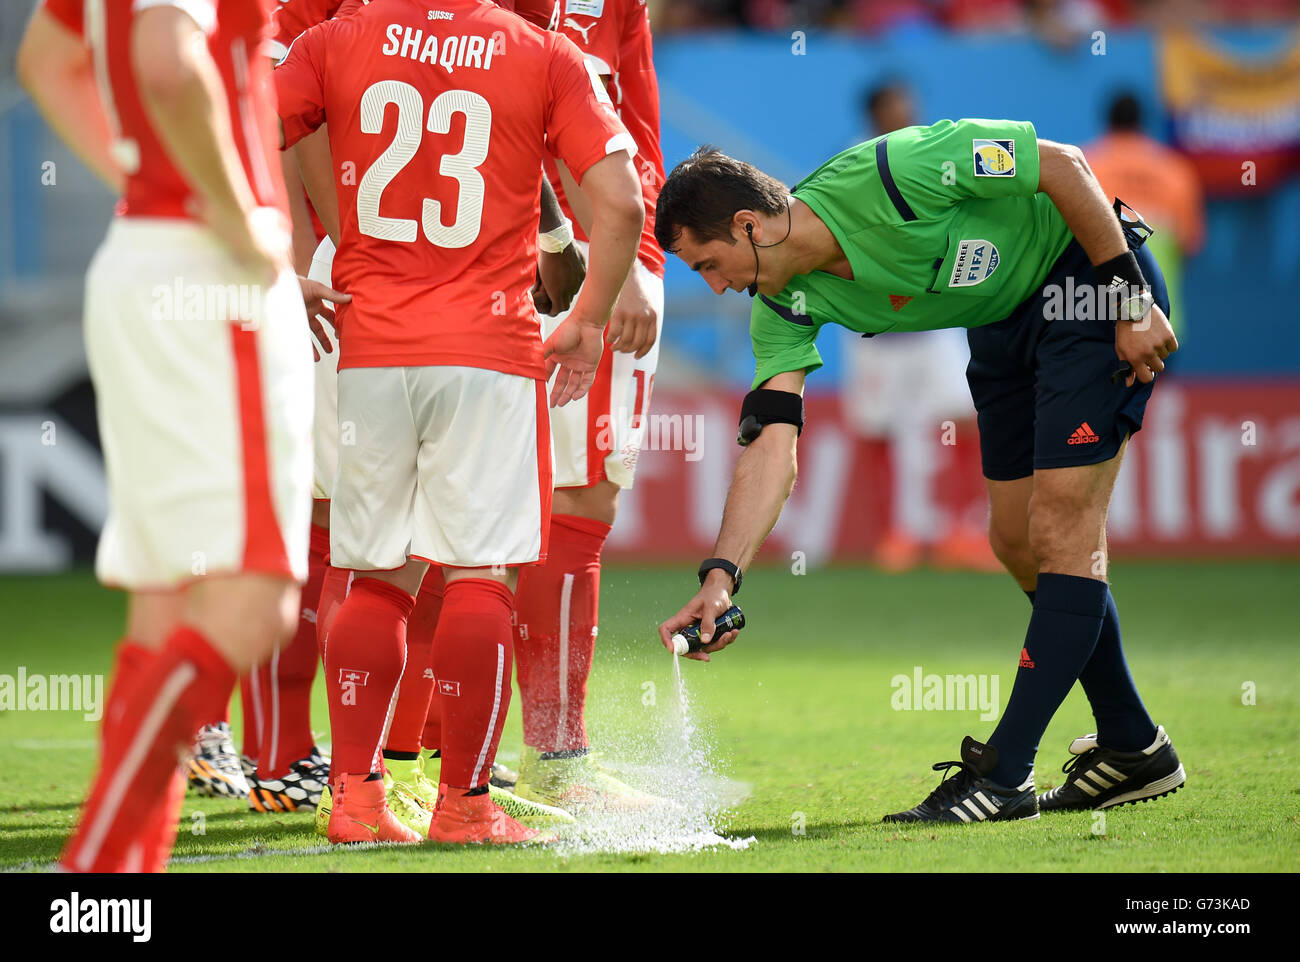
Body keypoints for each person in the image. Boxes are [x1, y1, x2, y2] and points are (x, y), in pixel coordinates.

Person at [654, 120, 1187, 823]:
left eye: (708, 265)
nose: (717, 289)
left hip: (1085, 286)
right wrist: (721, 577)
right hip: (1001, 326)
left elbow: (1062, 165)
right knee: (1017, 543)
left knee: (1062, 529)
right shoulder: (781, 307)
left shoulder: (894, 172)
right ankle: (1132, 746)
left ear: (749, 225)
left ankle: (1005, 775)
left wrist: (1128, 297)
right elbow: (769, 447)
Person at [274, 0, 644, 844]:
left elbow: (248, 127)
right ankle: (466, 806)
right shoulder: (544, 54)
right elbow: (620, 204)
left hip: (369, 345)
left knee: (374, 577)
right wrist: (586, 320)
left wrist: (281, 258)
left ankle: (356, 802)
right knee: (479, 574)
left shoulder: (334, 39)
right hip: (487, 348)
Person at [18, 0, 344, 871]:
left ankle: (116, 884)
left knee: (167, 603)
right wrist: (233, 215)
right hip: (213, 277)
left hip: (150, 254)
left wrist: (147, 185)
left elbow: (46, 62)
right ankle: (94, 870)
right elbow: (169, 58)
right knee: (253, 601)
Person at [507, 0, 672, 814]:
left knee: (507, 508)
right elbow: (551, 109)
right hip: (577, 268)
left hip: (559, 255)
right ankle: (558, 758)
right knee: (575, 502)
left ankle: (427, 752)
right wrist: (619, 258)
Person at [844, 82, 997, 572]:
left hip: (935, 325)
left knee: (966, 418)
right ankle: (896, 535)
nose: (907, 113)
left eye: (909, 105)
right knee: (879, 429)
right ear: (874, 114)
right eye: (896, 106)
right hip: (877, 331)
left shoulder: (934, 158)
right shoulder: (852, 167)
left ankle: (963, 528)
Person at [1085, 92, 1204, 340]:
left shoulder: (1086, 166)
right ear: (1142, 122)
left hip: (1101, 318)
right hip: (1163, 319)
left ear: (1108, 122)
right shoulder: (1175, 170)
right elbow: (1190, 242)